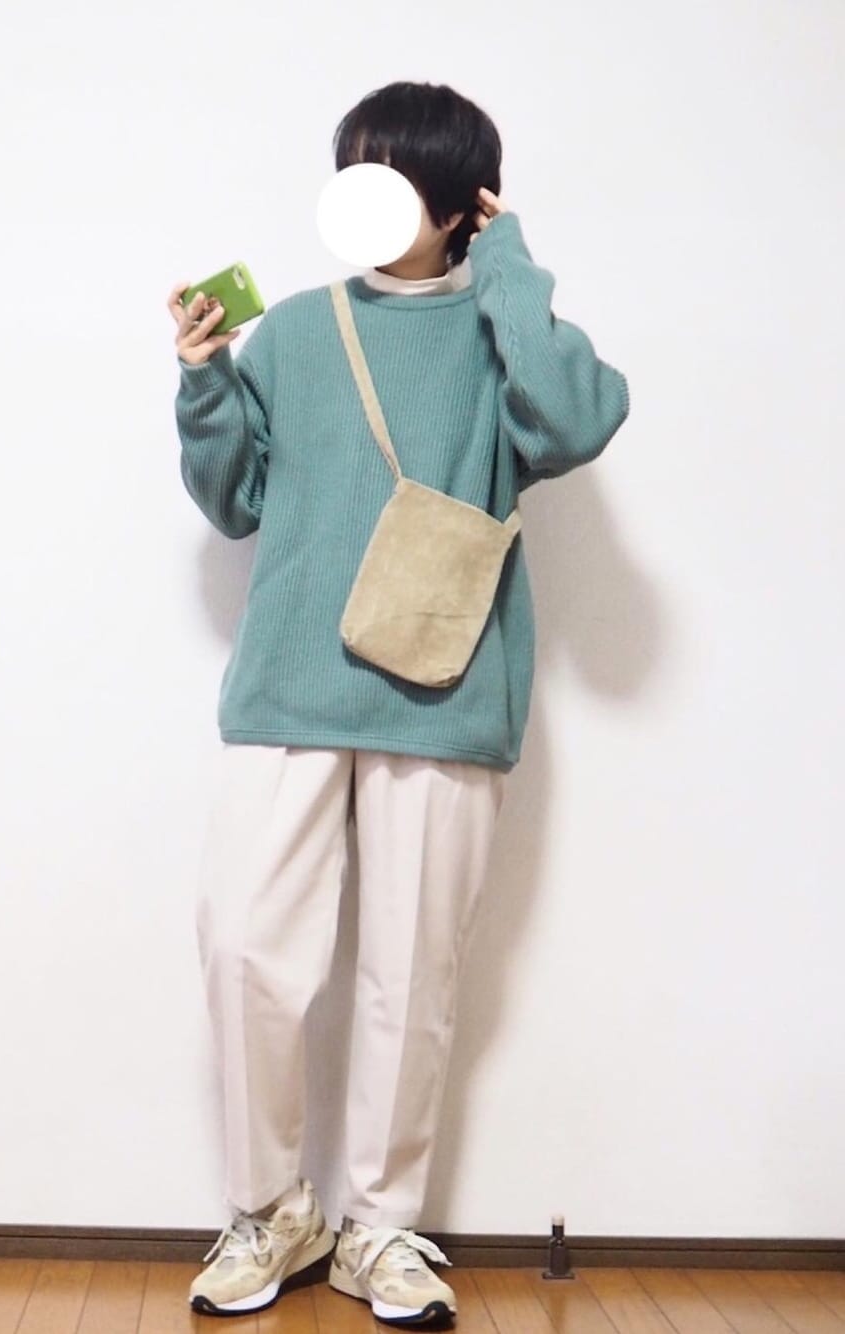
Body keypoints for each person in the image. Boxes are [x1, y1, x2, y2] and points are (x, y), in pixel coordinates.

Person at [168, 80, 630, 1327]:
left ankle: (379, 1224)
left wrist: (512, 267)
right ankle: (271, 1210)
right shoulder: (295, 329)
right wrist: (205, 378)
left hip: (445, 683)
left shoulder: (504, 328)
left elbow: (575, 420)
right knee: (244, 947)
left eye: (394, 173)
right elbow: (234, 499)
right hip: (290, 682)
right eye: (354, 167)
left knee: (410, 974)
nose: (365, 192)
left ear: (458, 202)